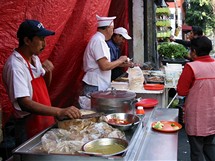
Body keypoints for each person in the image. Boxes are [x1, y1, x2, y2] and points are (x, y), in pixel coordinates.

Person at [2, 19, 81, 145]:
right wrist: (59, 111)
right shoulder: (15, 66)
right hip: (28, 124)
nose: (44, 44)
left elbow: (44, 87)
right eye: (41, 39)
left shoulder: (35, 58)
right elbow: (25, 103)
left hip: (44, 119)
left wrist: (48, 72)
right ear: (27, 41)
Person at [177, 36, 215, 161]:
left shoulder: (191, 67)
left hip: (197, 116)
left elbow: (181, 91)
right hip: (212, 114)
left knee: (197, 150)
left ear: (194, 51)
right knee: (209, 146)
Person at [82, 15, 131, 95]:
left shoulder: (99, 40)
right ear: (108, 28)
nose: (112, 32)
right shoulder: (98, 41)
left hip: (98, 83)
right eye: (112, 29)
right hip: (95, 84)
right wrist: (120, 60)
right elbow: (104, 66)